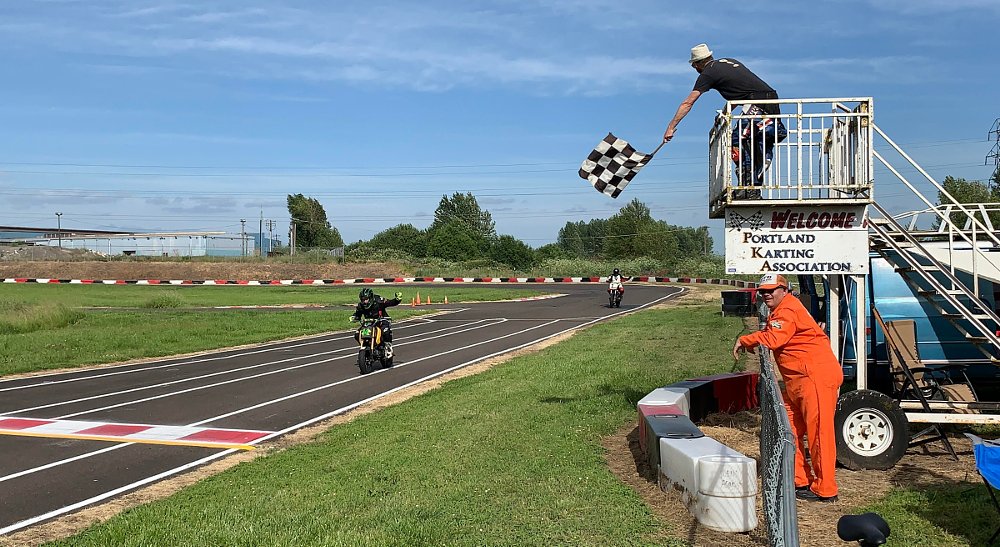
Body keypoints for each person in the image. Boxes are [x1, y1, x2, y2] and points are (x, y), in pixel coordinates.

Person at [732, 273, 843, 502]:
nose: (766, 294)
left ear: (784, 290)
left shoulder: (788, 309)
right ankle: (799, 479)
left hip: (814, 378)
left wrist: (745, 340)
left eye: (771, 290)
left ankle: (826, 489)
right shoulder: (782, 309)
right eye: (763, 291)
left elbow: (774, 339)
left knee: (819, 434)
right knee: (788, 426)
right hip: (799, 380)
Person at [663, 43, 787, 191]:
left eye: (693, 65)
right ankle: (759, 162)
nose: (694, 69)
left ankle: (749, 184)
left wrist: (671, 127)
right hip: (769, 98)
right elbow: (740, 91)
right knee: (751, 138)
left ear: (697, 64)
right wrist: (725, 112)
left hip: (757, 102)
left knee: (737, 138)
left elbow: (688, 103)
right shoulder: (728, 61)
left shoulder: (707, 73)